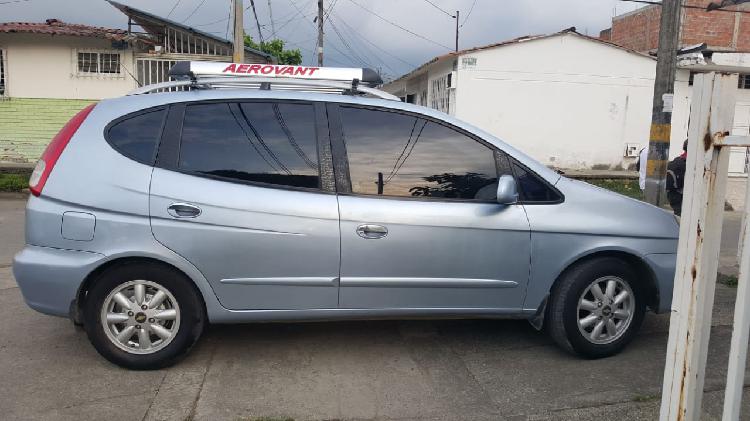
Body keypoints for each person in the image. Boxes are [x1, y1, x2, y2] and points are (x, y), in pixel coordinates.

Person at [666, 140, 688, 216]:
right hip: (681, 196)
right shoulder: (690, 163)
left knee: (678, 216)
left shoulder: (677, 160)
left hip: (672, 194)